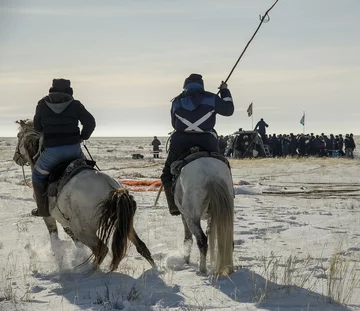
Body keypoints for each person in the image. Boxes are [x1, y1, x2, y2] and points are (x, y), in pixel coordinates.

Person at [161, 73, 234, 215]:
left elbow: (173, 123)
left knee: (167, 173)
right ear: (202, 85)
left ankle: (174, 205)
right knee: (223, 166)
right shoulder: (212, 98)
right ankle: (229, 195)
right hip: (207, 141)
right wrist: (224, 90)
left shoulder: (176, 101)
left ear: (185, 85)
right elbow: (228, 110)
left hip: (181, 142)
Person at [32, 78, 96, 217]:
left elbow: (37, 126)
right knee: (88, 171)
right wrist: (82, 137)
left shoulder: (42, 104)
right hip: (73, 150)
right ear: (69, 90)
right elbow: (90, 122)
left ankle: (43, 210)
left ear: (52, 89)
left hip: (52, 152)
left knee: (37, 176)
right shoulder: (75, 104)